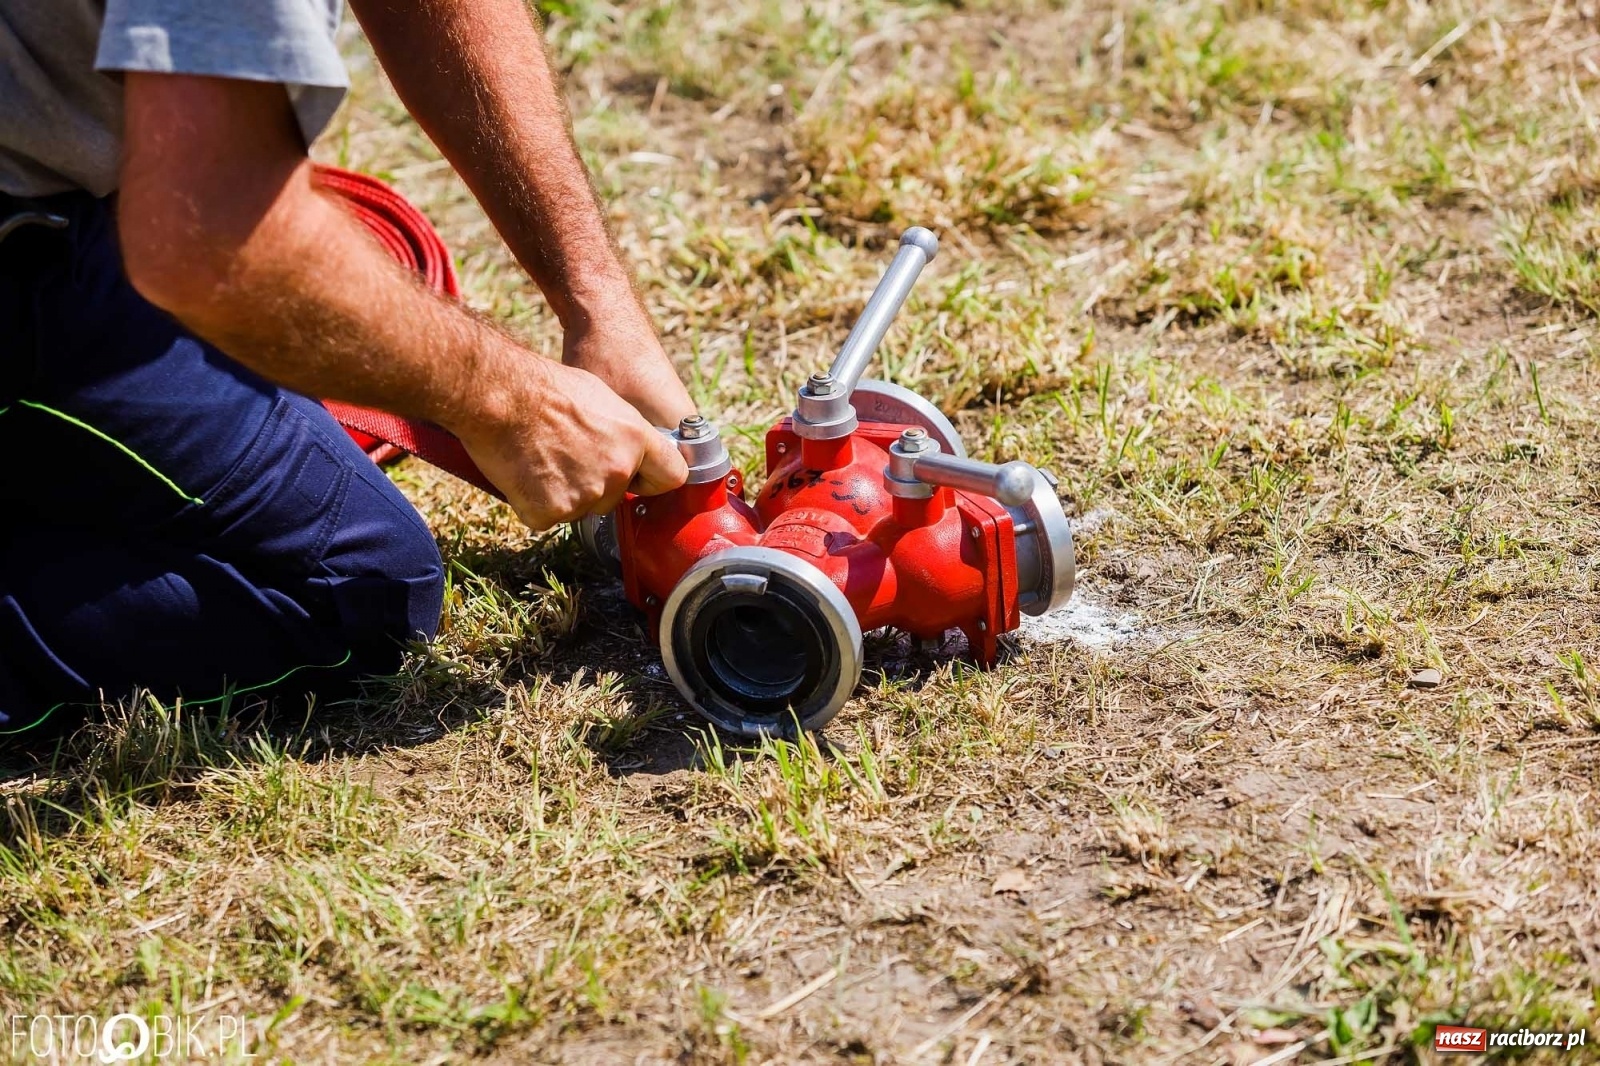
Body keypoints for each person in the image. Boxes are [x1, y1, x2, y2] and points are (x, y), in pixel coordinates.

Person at [0, 0, 694, 732]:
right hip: (45, 237)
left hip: (75, 206)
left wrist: (596, 300)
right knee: (350, 591)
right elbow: (210, 239)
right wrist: (510, 402)